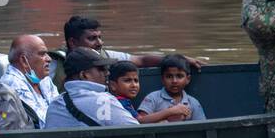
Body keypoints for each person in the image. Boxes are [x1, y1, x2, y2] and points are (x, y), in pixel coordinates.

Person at [49, 15, 203, 93]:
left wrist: (179, 59)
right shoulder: (53, 63)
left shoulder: (103, 55)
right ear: (73, 43)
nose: (99, 43)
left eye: (99, 37)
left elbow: (141, 60)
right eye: (92, 38)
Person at [43, 48, 139, 129]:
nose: (107, 73)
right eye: (101, 69)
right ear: (84, 75)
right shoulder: (103, 101)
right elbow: (136, 130)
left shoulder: (55, 104)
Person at [0, 33, 58, 127]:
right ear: (24, 61)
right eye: (42, 54)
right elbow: (43, 124)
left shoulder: (43, 79)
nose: (49, 59)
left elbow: (58, 109)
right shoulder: (12, 85)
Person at [138, 53, 207, 122]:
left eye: (179, 76)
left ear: (188, 79)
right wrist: (169, 112)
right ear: (162, 79)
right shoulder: (152, 98)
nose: (174, 81)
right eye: (169, 76)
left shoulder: (193, 103)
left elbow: (202, 127)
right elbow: (140, 121)